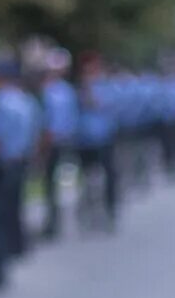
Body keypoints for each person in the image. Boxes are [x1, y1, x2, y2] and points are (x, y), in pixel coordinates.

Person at [0, 58, 38, 288]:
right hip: (19, 162)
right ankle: (17, 248)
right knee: (13, 208)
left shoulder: (1, 101)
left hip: (0, 166)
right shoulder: (26, 101)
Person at [74, 54, 119, 230]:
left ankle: (110, 211)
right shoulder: (78, 89)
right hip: (84, 140)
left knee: (109, 177)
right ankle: (87, 211)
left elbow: (104, 105)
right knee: (87, 177)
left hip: (103, 138)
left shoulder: (107, 87)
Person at [38, 55, 78, 241]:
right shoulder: (60, 90)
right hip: (59, 140)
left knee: (59, 182)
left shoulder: (56, 91)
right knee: (54, 182)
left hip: (58, 141)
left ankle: (57, 220)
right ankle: (55, 220)